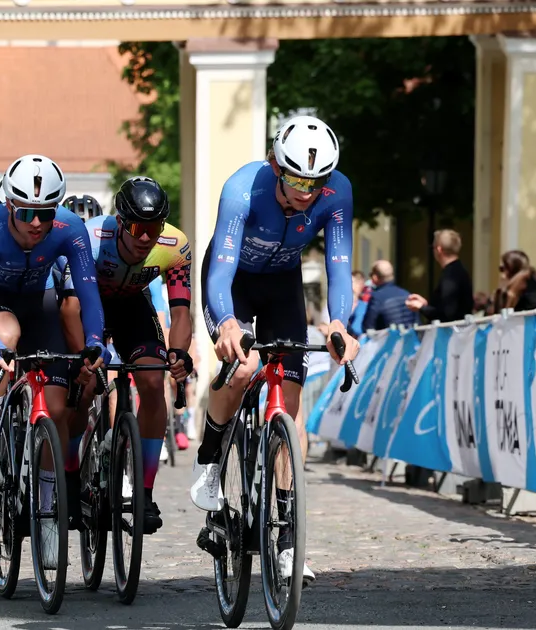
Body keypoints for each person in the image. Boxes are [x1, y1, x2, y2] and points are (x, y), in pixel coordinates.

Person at [193, 115, 360, 584]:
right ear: (274, 165)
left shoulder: (338, 193)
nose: (306, 191)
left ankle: (287, 541)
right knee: (244, 367)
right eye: (295, 179)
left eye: (316, 182)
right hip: (233, 284)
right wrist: (226, 321)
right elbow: (221, 269)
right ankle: (209, 461)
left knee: (288, 398)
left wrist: (339, 324)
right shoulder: (242, 189)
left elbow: (339, 264)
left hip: (283, 284)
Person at [0, 153, 108, 569]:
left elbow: (88, 295)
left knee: (58, 407)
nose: (36, 223)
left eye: (45, 213)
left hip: (39, 303)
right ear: (9, 205)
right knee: (4, 339)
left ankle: (48, 511)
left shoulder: (70, 228)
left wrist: (95, 341)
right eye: (26, 212)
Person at [62, 177, 194, 534]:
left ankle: (145, 492)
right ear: (120, 221)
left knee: (152, 382)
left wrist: (179, 352)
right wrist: (83, 357)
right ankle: (70, 477)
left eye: (153, 228)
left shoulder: (175, 245)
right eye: (137, 227)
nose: (145, 238)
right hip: (89, 305)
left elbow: (181, 313)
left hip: (132, 308)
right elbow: (73, 306)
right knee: (85, 388)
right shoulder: (90, 237)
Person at [405, 229, 473, 322]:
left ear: (439, 249)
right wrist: (426, 304)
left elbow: (447, 314)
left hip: (452, 334)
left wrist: (422, 307)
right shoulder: (460, 270)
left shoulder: (450, 276)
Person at [362, 260, 417, 331]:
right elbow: (417, 323)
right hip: (410, 340)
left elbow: (368, 327)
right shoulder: (407, 294)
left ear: (375, 277)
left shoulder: (377, 297)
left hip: (387, 340)